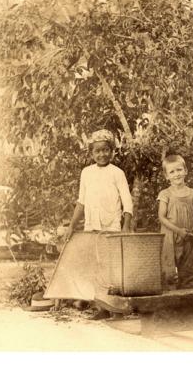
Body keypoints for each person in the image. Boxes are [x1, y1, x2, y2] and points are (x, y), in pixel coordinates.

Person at [67, 129, 133, 319]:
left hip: (111, 227)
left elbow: (127, 201)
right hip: (92, 227)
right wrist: (72, 225)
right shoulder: (86, 173)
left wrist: (126, 225)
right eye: (97, 151)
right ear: (91, 153)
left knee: (112, 267)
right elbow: (82, 201)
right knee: (96, 266)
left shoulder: (117, 173)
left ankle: (115, 307)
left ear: (112, 151)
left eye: (106, 150)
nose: (102, 154)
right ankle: (101, 308)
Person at [157, 154, 193, 289]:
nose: (176, 174)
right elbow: (161, 217)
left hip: (188, 235)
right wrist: (178, 231)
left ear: (185, 171)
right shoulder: (165, 194)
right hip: (170, 236)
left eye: (179, 170)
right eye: (172, 171)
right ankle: (169, 293)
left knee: (189, 268)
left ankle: (187, 291)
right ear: (166, 176)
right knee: (168, 268)